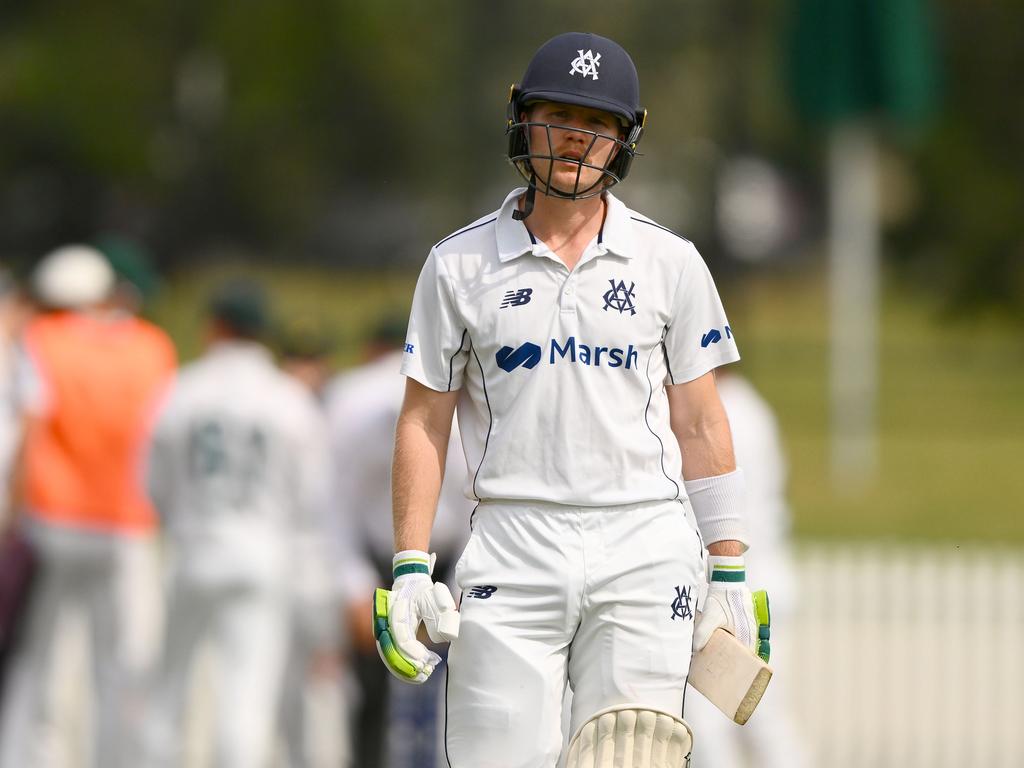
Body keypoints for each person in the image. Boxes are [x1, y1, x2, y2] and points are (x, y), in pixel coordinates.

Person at [374, 31, 769, 768]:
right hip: (512, 544)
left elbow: (701, 419)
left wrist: (729, 570)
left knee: (628, 756)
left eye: (597, 124)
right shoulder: (456, 264)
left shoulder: (671, 262)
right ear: (522, 121)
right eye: (556, 116)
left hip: (643, 546)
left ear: (625, 140)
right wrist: (409, 564)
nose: (574, 140)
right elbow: (424, 420)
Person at [0, 245, 176, 768]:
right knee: (120, 668)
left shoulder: (42, 340)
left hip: (53, 521)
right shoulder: (153, 346)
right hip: (127, 525)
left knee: (42, 661)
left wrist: (12, 518)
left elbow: (28, 434)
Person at [143, 280, 330, 768]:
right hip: (261, 550)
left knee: (169, 689)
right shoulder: (287, 396)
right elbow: (311, 494)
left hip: (194, 544)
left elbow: (152, 479)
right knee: (245, 697)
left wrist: (179, 522)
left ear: (217, 327)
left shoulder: (182, 387)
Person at [325, 315, 472, 768]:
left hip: (442, 561)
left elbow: (473, 508)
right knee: (373, 695)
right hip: (381, 562)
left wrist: (455, 590)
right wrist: (354, 589)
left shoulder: (458, 420)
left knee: (452, 695)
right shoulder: (359, 413)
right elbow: (335, 507)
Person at [685, 370, 806, 768]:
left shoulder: (721, 412)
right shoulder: (749, 405)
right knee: (763, 721)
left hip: (741, 581)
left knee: (714, 720)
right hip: (761, 576)